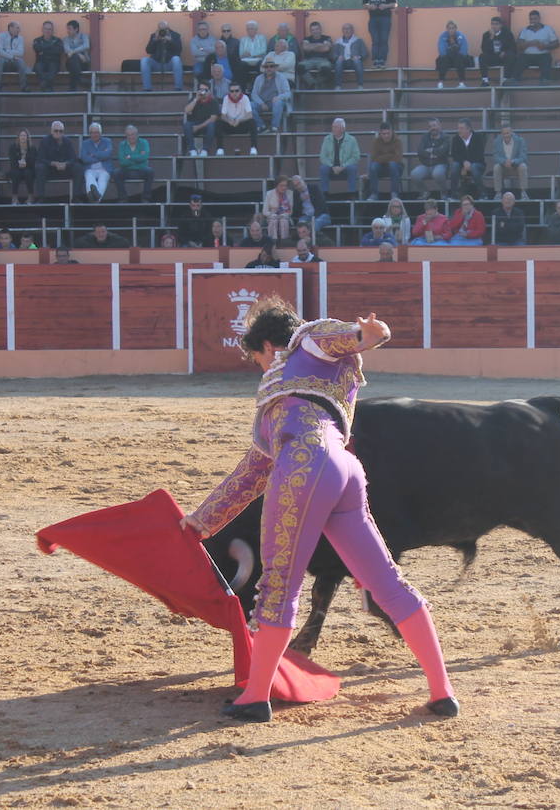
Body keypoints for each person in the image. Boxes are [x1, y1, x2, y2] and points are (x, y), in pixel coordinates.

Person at [181, 302, 457, 721]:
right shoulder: (303, 382)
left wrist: (369, 334)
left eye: (258, 357)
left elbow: (345, 337)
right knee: (388, 583)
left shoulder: (305, 341)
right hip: (345, 471)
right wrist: (201, 522)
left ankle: (255, 697)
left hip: (305, 466)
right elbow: (252, 472)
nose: (262, 366)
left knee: (278, 585)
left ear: (269, 346)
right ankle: (442, 692)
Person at [318, 117, 360, 210]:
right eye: (333, 127)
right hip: (331, 167)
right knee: (323, 168)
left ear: (343, 129)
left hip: (345, 167)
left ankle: (351, 194)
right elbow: (322, 156)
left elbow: (356, 156)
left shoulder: (352, 139)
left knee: (352, 168)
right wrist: (332, 166)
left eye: (336, 127)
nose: (333, 129)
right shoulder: (327, 139)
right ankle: (325, 193)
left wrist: (343, 166)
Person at [35, 120, 81, 201]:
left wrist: (65, 164)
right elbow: (40, 158)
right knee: (40, 167)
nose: (58, 133)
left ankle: (76, 197)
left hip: (64, 169)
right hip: (50, 170)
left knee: (78, 167)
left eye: (61, 131)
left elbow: (73, 158)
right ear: (51, 131)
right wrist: (53, 163)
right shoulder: (44, 141)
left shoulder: (67, 141)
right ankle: (40, 198)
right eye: (56, 131)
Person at [509, 10, 558, 84]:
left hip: (543, 55)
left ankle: (545, 80)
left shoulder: (548, 29)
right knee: (520, 58)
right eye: (531, 19)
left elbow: (556, 44)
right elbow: (518, 46)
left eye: (535, 19)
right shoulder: (525, 30)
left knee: (547, 59)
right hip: (527, 56)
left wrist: (545, 46)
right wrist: (529, 43)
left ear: (539, 19)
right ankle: (514, 79)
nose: (533, 21)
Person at [362, 0, 398, 68]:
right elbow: (364, 5)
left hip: (385, 18)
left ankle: (382, 61)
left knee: (384, 40)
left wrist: (385, 6)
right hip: (373, 18)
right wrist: (370, 6)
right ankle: (375, 61)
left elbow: (395, 4)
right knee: (375, 40)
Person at [411, 118, 450, 200]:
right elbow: (420, 151)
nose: (432, 128)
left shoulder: (446, 137)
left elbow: (443, 151)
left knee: (437, 173)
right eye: (430, 126)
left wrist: (430, 151)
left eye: (434, 125)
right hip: (426, 165)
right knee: (414, 174)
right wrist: (434, 153)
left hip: (441, 165)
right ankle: (425, 192)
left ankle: (444, 192)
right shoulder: (425, 137)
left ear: (439, 126)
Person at [250, 59, 293, 134]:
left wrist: (279, 97)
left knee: (278, 103)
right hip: (262, 103)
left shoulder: (281, 77)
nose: (269, 68)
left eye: (271, 66)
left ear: (275, 68)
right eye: (266, 67)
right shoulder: (259, 78)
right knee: (249, 105)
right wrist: (261, 103)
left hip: (275, 102)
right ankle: (261, 126)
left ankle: (274, 127)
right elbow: (254, 94)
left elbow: (288, 93)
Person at [114, 124, 154, 201]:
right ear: (126, 136)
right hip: (127, 170)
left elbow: (144, 157)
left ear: (137, 134)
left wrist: (130, 157)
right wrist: (138, 159)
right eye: (128, 135)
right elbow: (122, 162)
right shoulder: (122, 144)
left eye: (132, 134)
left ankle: (146, 198)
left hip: (141, 169)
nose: (131, 137)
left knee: (150, 172)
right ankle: (123, 198)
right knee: (116, 173)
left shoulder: (144, 142)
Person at [448, 118, 486, 198]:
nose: (459, 130)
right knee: (455, 166)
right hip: (462, 164)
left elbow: (479, 154)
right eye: (458, 128)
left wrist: (469, 164)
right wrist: (464, 162)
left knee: (474, 167)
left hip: (478, 163)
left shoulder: (478, 137)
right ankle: (453, 193)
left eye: (461, 128)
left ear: (469, 129)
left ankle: (482, 193)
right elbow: (454, 154)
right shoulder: (456, 139)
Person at [217, 82, 259, 155]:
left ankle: (253, 147)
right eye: (232, 91)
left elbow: (250, 115)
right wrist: (229, 121)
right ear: (229, 92)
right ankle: (220, 148)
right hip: (230, 125)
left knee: (252, 122)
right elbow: (223, 115)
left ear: (240, 91)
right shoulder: (226, 98)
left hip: (241, 125)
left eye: (236, 91)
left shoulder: (245, 98)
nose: (234, 93)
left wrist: (239, 120)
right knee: (218, 123)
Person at [142, 21, 185, 92]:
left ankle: (178, 88)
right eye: (161, 29)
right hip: (157, 64)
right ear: (158, 29)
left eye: (165, 29)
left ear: (168, 28)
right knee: (144, 60)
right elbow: (148, 50)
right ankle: (147, 88)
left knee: (176, 59)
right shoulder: (154, 36)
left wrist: (171, 41)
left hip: (170, 64)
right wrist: (154, 40)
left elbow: (179, 50)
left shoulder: (175, 35)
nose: (163, 31)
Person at [367, 122, 403, 202]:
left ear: (392, 132)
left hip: (397, 167)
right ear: (380, 133)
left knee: (392, 164)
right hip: (381, 167)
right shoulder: (376, 141)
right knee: (373, 167)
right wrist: (390, 155)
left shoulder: (397, 141)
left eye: (388, 133)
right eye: (384, 134)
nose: (386, 136)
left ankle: (394, 194)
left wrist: (382, 158)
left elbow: (398, 158)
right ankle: (374, 194)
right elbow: (374, 158)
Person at [181, 82, 220, 157]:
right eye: (201, 89)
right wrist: (196, 99)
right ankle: (192, 150)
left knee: (211, 125)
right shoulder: (194, 99)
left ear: (209, 91)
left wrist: (198, 127)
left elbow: (212, 119)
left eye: (205, 90)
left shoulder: (213, 101)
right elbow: (186, 111)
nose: (203, 92)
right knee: (187, 125)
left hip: (206, 125)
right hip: (194, 123)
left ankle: (205, 149)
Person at [79, 122, 115, 202]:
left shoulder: (107, 141)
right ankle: (97, 199)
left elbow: (107, 154)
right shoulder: (85, 144)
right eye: (92, 132)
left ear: (100, 133)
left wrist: (93, 154)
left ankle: (93, 198)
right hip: (90, 169)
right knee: (89, 176)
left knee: (103, 179)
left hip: (104, 169)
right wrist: (100, 155)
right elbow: (84, 158)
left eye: (96, 132)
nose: (94, 135)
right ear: (89, 133)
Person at [491, 124, 529, 200]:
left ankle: (523, 192)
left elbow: (523, 156)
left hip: (515, 166)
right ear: (501, 134)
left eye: (508, 133)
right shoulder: (496, 142)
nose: (506, 135)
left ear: (511, 132)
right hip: (503, 167)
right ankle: (498, 193)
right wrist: (504, 161)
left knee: (523, 166)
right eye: (504, 133)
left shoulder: (520, 140)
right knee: (496, 167)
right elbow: (495, 156)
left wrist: (513, 161)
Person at [478, 16, 517, 86]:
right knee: (482, 56)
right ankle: (485, 80)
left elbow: (513, 47)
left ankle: (506, 79)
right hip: (493, 57)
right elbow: (484, 49)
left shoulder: (507, 33)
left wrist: (505, 52)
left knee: (511, 55)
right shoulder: (486, 35)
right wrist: (491, 37)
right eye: (492, 24)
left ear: (501, 25)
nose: (494, 26)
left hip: (504, 57)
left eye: (496, 24)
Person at [0, 20, 29, 91]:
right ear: (10, 28)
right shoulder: (2, 36)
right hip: (4, 63)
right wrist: (12, 56)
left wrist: (6, 51)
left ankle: (24, 86)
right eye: (17, 28)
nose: (19, 30)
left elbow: (21, 53)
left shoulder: (20, 38)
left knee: (21, 62)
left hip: (14, 63)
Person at [433, 21, 471, 88]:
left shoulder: (461, 36)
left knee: (459, 57)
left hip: (459, 60)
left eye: (453, 28)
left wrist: (455, 48)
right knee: (443, 59)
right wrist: (451, 51)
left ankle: (461, 83)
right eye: (449, 28)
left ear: (456, 28)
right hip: (448, 60)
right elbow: (442, 51)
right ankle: (440, 83)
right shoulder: (443, 36)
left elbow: (464, 51)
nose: (451, 30)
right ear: (447, 29)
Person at [331, 23, 367, 90]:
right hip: (343, 62)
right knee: (338, 62)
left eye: (348, 28)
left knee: (357, 61)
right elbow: (333, 54)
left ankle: (360, 85)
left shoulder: (358, 40)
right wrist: (337, 57)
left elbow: (365, 53)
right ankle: (338, 86)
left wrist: (359, 57)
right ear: (342, 31)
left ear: (352, 30)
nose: (346, 30)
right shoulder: (338, 42)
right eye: (344, 29)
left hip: (353, 62)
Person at [299, 21, 334, 90]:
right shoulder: (306, 39)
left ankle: (317, 84)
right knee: (299, 67)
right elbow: (305, 48)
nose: (315, 31)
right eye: (313, 30)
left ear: (320, 29)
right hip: (309, 60)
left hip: (323, 60)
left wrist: (311, 46)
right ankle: (312, 83)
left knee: (326, 69)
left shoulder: (327, 38)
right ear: (310, 31)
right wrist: (320, 45)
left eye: (317, 29)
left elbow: (326, 48)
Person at [33, 21, 64, 91]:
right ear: (42, 29)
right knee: (38, 67)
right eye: (46, 29)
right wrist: (51, 48)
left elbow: (59, 51)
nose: (47, 31)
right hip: (40, 62)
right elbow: (37, 49)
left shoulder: (58, 40)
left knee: (53, 67)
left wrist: (43, 50)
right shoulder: (37, 40)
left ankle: (44, 84)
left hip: (54, 62)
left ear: (52, 30)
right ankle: (48, 86)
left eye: (49, 29)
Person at [8, 129, 36, 204]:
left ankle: (30, 197)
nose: (23, 137)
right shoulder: (13, 147)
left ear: (27, 137)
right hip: (17, 168)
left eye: (24, 135)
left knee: (28, 173)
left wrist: (26, 164)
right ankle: (14, 197)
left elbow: (33, 161)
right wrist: (19, 165)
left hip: (28, 168)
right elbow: (12, 161)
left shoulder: (32, 148)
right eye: (21, 135)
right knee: (15, 173)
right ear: (18, 137)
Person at [237, 21, 268, 89]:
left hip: (258, 61)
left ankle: (259, 88)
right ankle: (243, 89)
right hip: (246, 62)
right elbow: (241, 54)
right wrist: (256, 54)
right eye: (248, 29)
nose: (250, 30)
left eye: (252, 28)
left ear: (256, 29)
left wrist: (251, 55)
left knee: (261, 65)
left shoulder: (262, 38)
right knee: (240, 65)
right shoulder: (243, 39)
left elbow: (263, 52)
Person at [62, 20, 91, 91]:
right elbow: (67, 50)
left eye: (70, 29)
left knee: (73, 57)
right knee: (73, 58)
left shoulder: (84, 36)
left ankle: (73, 86)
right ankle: (78, 80)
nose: (68, 31)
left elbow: (86, 46)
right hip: (70, 63)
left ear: (76, 29)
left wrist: (74, 52)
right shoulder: (65, 39)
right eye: (67, 29)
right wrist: (79, 54)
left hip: (83, 64)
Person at [262, 177, 293, 242]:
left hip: (285, 217)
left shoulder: (290, 193)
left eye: (285, 185)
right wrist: (272, 215)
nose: (284, 188)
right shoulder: (269, 193)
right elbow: (264, 211)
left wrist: (285, 214)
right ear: (276, 185)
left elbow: (291, 211)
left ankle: (284, 242)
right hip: (272, 217)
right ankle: (273, 242)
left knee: (283, 220)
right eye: (281, 185)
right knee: (274, 220)